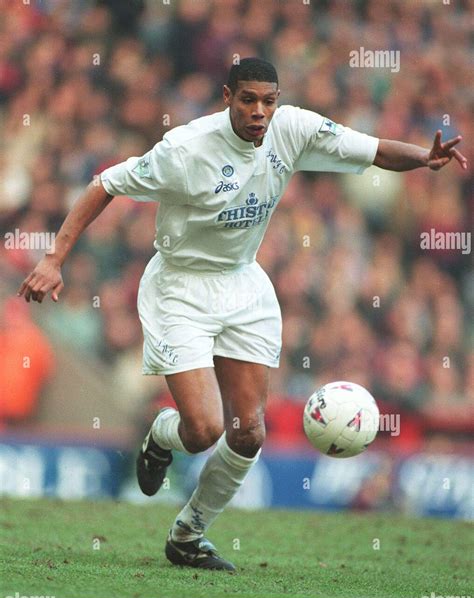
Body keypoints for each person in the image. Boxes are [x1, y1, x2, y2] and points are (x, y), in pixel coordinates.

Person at [18, 58, 467, 571]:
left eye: (268, 101)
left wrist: (425, 158)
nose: (259, 111)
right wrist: (54, 259)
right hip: (180, 288)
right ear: (227, 95)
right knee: (203, 430)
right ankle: (162, 435)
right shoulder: (185, 150)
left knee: (249, 431)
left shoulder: (293, 128)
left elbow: (373, 149)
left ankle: (187, 535)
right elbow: (104, 184)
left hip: (243, 284)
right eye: (248, 99)